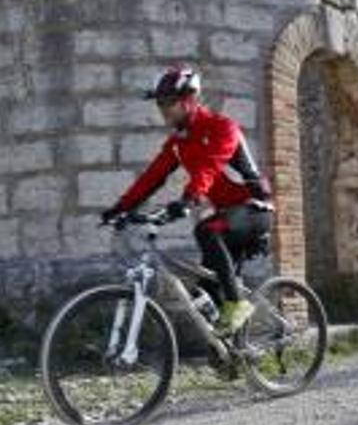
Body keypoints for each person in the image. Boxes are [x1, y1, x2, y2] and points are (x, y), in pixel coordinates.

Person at [100, 66, 273, 334]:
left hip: (254, 210)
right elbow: (151, 177)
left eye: (170, 103)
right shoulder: (178, 144)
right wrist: (121, 207)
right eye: (160, 104)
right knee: (203, 295)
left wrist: (188, 199)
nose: (164, 110)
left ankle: (237, 306)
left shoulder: (222, 128)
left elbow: (209, 166)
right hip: (228, 217)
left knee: (206, 229)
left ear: (189, 100)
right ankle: (231, 353)